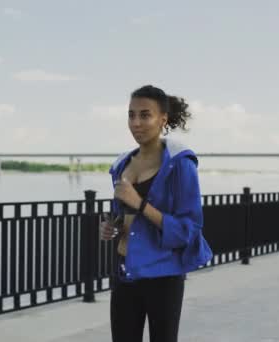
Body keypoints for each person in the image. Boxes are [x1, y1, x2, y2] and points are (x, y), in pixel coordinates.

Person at [100, 85, 213, 342]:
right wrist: (112, 228)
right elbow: (124, 217)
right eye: (131, 115)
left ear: (163, 119)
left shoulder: (180, 164)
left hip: (163, 274)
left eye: (145, 115)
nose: (136, 123)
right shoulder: (122, 165)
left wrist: (140, 204)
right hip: (124, 271)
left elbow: (189, 229)